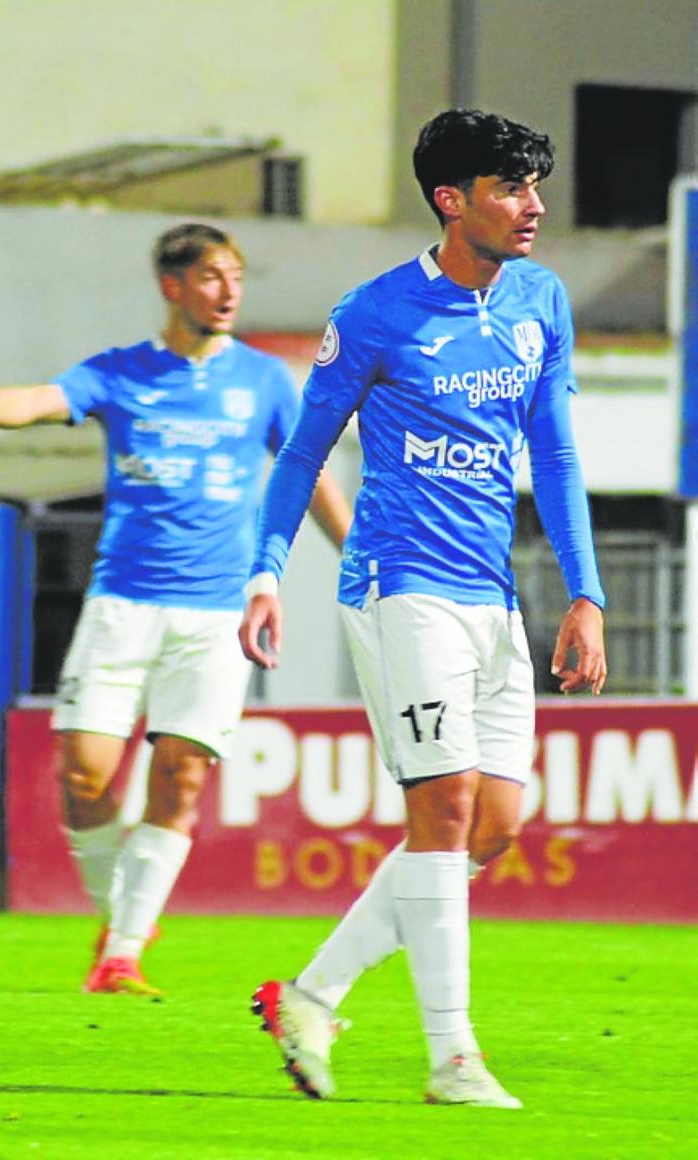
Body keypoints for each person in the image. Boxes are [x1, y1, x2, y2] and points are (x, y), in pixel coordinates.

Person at [239, 109, 607, 1109]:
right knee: (442, 813)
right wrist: (267, 567)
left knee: (491, 827)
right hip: (400, 587)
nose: (534, 207)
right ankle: (453, 1059)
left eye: (536, 186)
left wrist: (586, 591)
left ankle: (312, 994)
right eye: (510, 188)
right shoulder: (374, 312)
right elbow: (304, 451)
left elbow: (559, 455)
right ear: (452, 200)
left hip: (493, 593)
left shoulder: (540, 299)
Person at [0, 223, 351, 996]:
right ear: (173, 287)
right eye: (212, 277)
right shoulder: (120, 372)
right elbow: (42, 400)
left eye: (236, 276)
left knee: (179, 779)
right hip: (122, 605)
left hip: (214, 615)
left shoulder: (267, 381)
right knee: (84, 778)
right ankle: (124, 915)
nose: (229, 290)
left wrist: (359, 556)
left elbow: (306, 471)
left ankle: (123, 954)